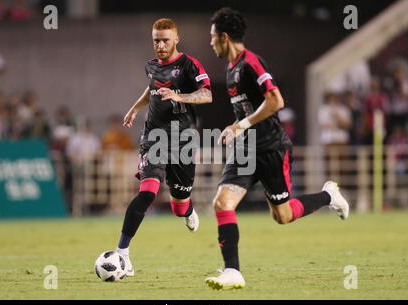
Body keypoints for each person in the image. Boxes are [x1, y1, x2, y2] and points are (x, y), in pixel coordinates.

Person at [205, 7, 349, 290]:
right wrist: (235, 128)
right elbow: (248, 109)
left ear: (224, 37)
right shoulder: (230, 69)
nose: (210, 43)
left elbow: (275, 100)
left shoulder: (251, 63)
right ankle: (232, 271)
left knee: (282, 216)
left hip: (271, 149)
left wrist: (240, 125)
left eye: (212, 37)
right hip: (246, 150)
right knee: (222, 203)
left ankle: (328, 196)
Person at [115, 18, 212, 277]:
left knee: (178, 205)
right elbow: (151, 89)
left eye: (165, 40)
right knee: (148, 192)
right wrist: (135, 108)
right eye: (156, 39)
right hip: (154, 138)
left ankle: (188, 209)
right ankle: (122, 253)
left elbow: (207, 94)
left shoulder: (189, 65)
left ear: (176, 39)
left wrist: (178, 95)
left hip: (183, 140)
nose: (160, 44)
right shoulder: (150, 66)